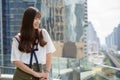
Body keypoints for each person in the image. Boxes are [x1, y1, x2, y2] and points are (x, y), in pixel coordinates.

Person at [11, 7, 56, 80]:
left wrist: (46, 73)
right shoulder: (17, 39)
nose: (37, 21)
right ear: (28, 20)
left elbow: (49, 53)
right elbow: (15, 61)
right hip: (22, 75)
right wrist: (35, 74)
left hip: (39, 73)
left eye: (39, 18)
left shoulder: (43, 33)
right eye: (35, 19)